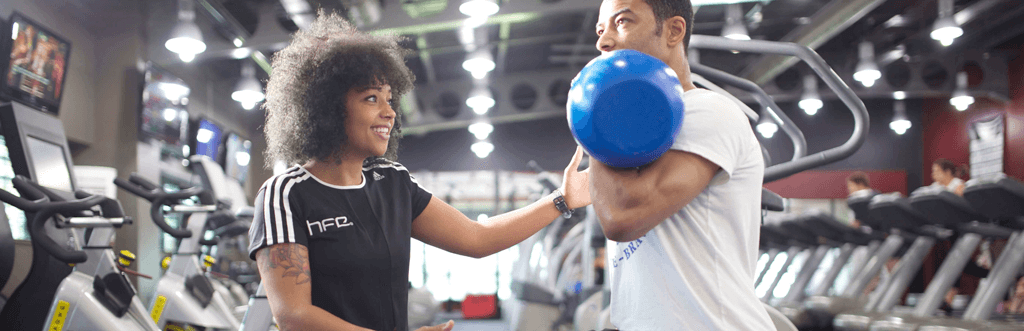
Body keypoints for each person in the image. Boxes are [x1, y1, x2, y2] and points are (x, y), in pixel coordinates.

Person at [247, 11, 591, 331]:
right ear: (326, 107)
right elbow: (293, 315)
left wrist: (563, 200)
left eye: (389, 98)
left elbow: (476, 237)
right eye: (371, 98)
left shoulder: (392, 182)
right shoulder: (286, 194)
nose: (390, 112)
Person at [587, 0, 773, 329]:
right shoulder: (630, 132)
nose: (604, 41)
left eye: (623, 22)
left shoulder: (707, 111)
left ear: (674, 31)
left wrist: (592, 115)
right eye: (602, 30)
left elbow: (622, 219)